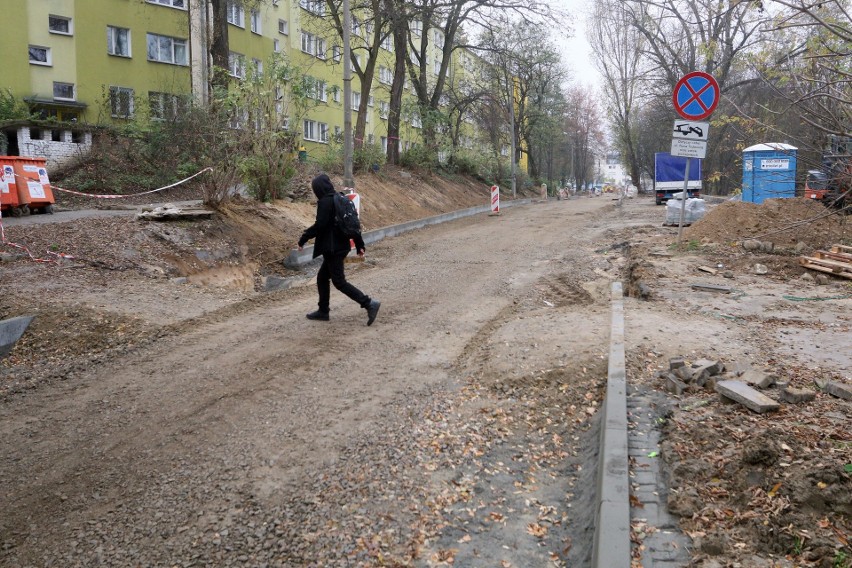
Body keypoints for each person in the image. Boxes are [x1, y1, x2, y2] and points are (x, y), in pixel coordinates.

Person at [298, 174, 381, 325]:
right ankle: (323, 311)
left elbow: (320, 225)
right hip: (341, 246)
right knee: (322, 277)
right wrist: (359, 244)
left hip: (333, 248)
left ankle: (369, 303)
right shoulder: (340, 199)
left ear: (319, 189)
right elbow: (352, 224)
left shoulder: (325, 202)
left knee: (339, 282)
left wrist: (303, 238)